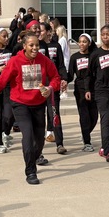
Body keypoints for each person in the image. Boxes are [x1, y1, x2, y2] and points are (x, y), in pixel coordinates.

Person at [0, 30, 61, 185]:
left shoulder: (44, 60)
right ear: (24, 46)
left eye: (37, 45)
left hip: (38, 104)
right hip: (20, 104)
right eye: (31, 45)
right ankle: (30, 171)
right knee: (28, 135)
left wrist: (50, 88)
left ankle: (33, 157)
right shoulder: (15, 61)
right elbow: (2, 80)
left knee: (39, 140)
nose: (35, 48)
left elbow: (56, 77)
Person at [87, 24, 109, 162]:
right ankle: (108, 151)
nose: (105, 37)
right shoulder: (95, 54)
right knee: (106, 118)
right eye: (103, 35)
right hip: (101, 90)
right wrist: (88, 90)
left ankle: (104, 146)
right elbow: (89, 74)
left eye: (108, 34)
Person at [38, 20, 69, 154]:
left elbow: (61, 65)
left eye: (42, 31)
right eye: (37, 31)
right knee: (39, 117)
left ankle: (60, 143)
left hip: (52, 85)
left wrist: (64, 78)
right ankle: (37, 148)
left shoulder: (56, 46)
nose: (39, 33)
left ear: (48, 32)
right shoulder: (32, 47)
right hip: (37, 87)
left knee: (54, 114)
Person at [68, 33, 99, 152]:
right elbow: (71, 74)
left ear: (89, 43)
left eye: (84, 42)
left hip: (93, 88)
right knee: (84, 116)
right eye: (80, 41)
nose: (81, 44)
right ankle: (87, 142)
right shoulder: (74, 57)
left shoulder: (93, 56)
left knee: (94, 116)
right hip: (80, 89)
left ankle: (86, 132)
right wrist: (63, 80)